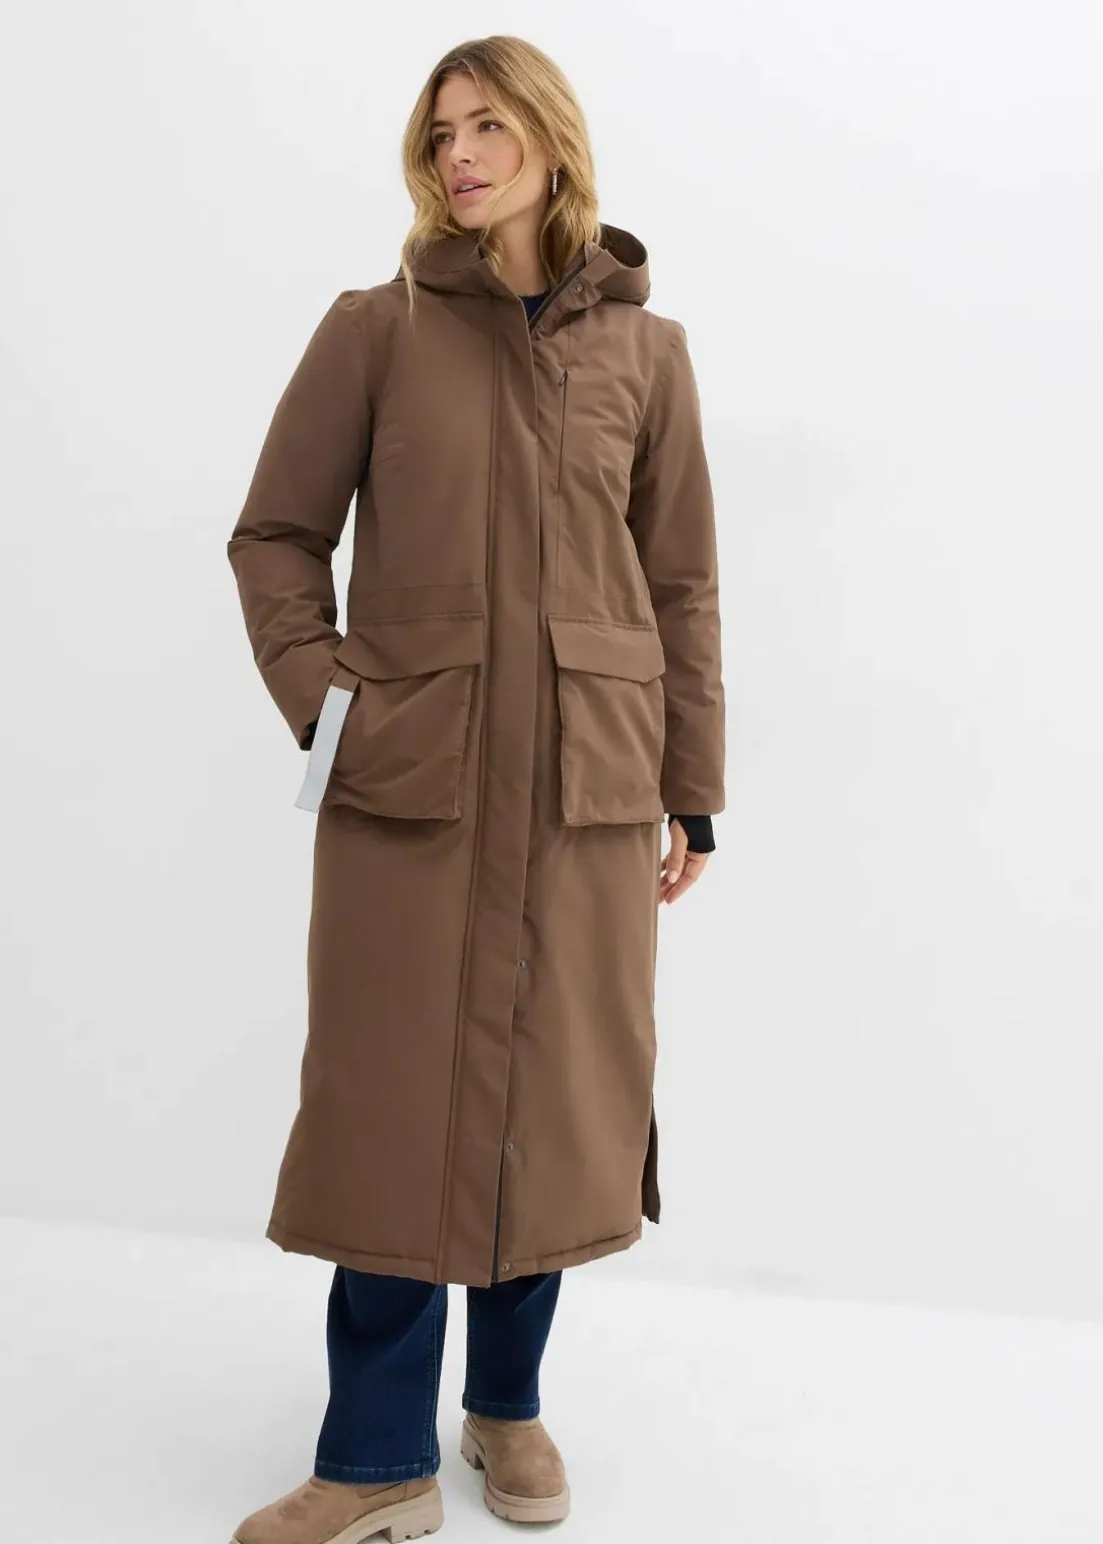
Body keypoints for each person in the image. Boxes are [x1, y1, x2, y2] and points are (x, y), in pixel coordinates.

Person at [224, 33, 725, 1544]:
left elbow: (680, 585)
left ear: (550, 142)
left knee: (553, 1103)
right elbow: (275, 537)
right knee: (393, 1104)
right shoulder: (374, 332)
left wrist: (691, 789)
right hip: (409, 788)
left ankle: (505, 1407)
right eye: (440, 131)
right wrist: (332, 711)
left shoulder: (646, 355)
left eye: (489, 125)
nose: (459, 154)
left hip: (585, 796)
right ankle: (376, 1455)